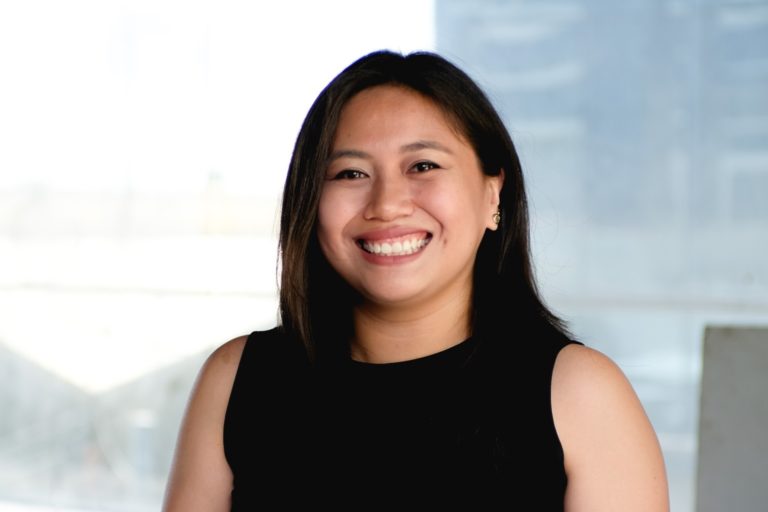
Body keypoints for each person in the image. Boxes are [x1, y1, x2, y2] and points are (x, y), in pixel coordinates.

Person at [162, 49, 669, 511]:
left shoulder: (579, 394)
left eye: (423, 165)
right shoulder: (237, 380)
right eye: (350, 173)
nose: (386, 205)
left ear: (493, 194)